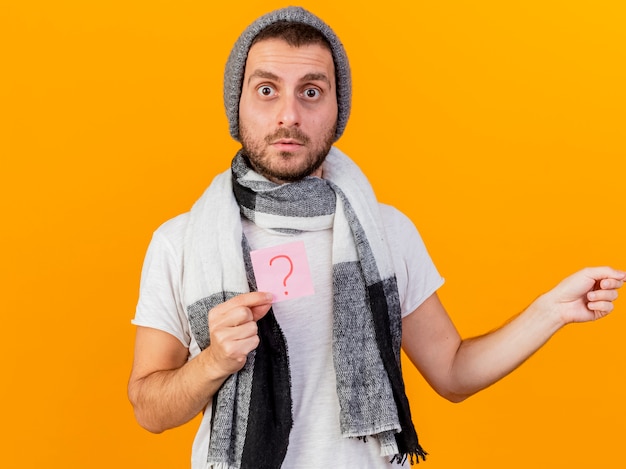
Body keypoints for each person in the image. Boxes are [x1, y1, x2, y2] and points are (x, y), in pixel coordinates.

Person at [128, 6, 624, 469]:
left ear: (337, 109)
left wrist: (551, 310)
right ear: (236, 105)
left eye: (311, 91)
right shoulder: (182, 241)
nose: (288, 116)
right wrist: (214, 361)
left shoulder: (385, 232)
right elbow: (149, 408)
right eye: (266, 90)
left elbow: (452, 373)